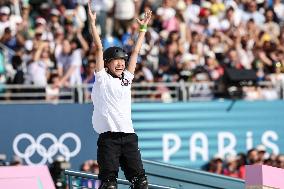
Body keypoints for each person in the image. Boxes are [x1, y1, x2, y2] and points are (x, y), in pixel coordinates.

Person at [88, 0, 152, 188]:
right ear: (107, 64)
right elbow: (99, 48)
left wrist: (143, 30)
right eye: (115, 61)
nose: (121, 64)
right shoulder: (102, 78)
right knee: (109, 184)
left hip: (129, 137)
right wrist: (92, 23)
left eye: (122, 61)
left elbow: (135, 53)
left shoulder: (127, 79)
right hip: (109, 139)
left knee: (141, 183)